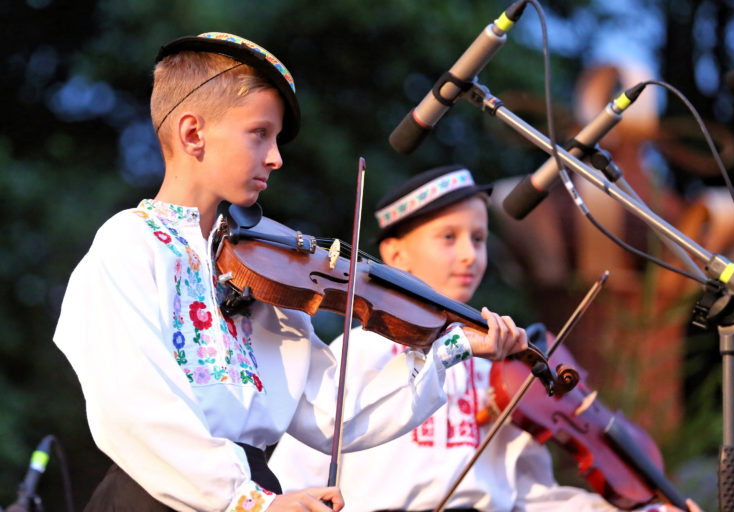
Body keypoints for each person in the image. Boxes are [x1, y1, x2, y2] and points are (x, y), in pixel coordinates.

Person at [52, 33, 527, 512]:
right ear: (193, 133)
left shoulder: (259, 272)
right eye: (260, 134)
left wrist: (454, 345)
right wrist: (246, 501)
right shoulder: (130, 242)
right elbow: (133, 407)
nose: (276, 157)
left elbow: (333, 414)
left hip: (253, 486)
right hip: (157, 498)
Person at [268, 165, 702, 512]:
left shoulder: (502, 370)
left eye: (478, 238)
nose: (469, 255)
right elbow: (294, 478)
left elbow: (533, 496)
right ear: (395, 255)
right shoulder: (358, 350)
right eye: (448, 237)